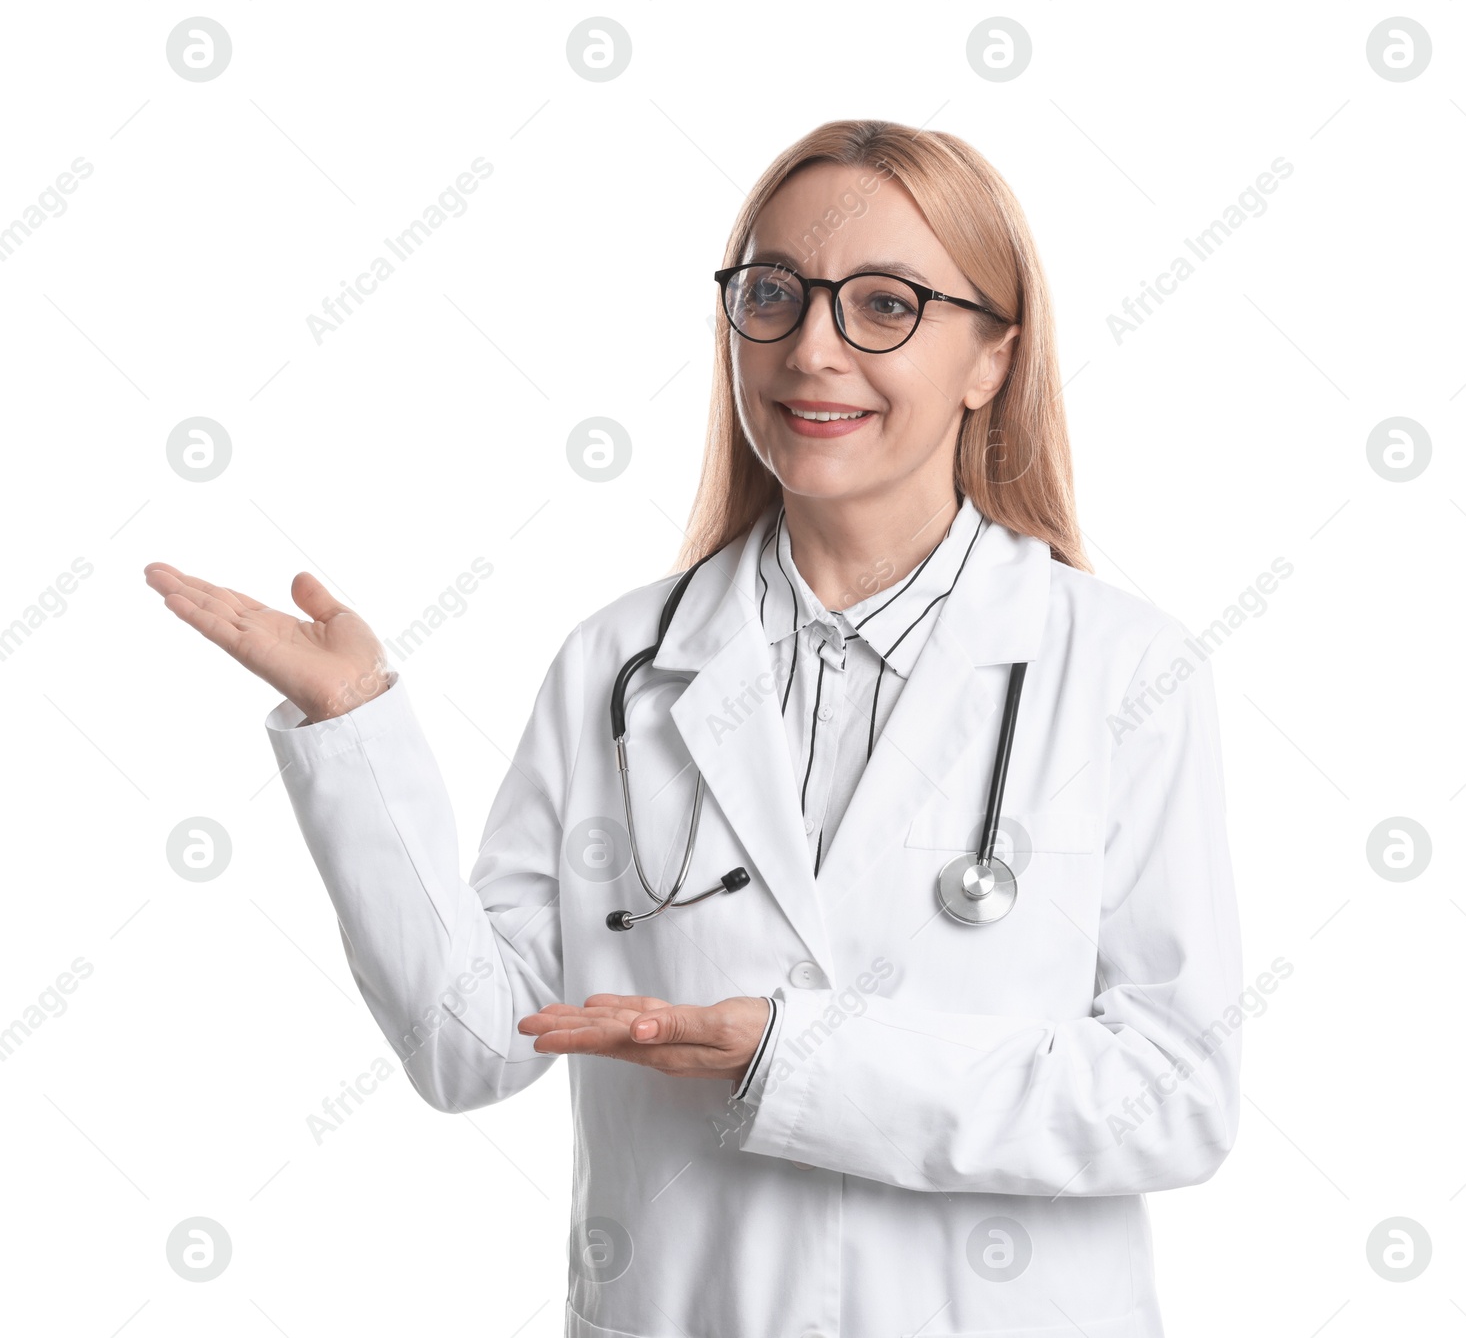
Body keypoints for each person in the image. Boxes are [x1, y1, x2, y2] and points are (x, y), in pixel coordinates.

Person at [145, 118, 1242, 1338]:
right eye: (772, 295)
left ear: (991, 356)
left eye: (884, 306)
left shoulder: (1120, 671)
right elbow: (471, 1046)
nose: (812, 349)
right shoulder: (620, 666)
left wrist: (792, 1054)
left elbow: (1172, 1094)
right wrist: (354, 735)